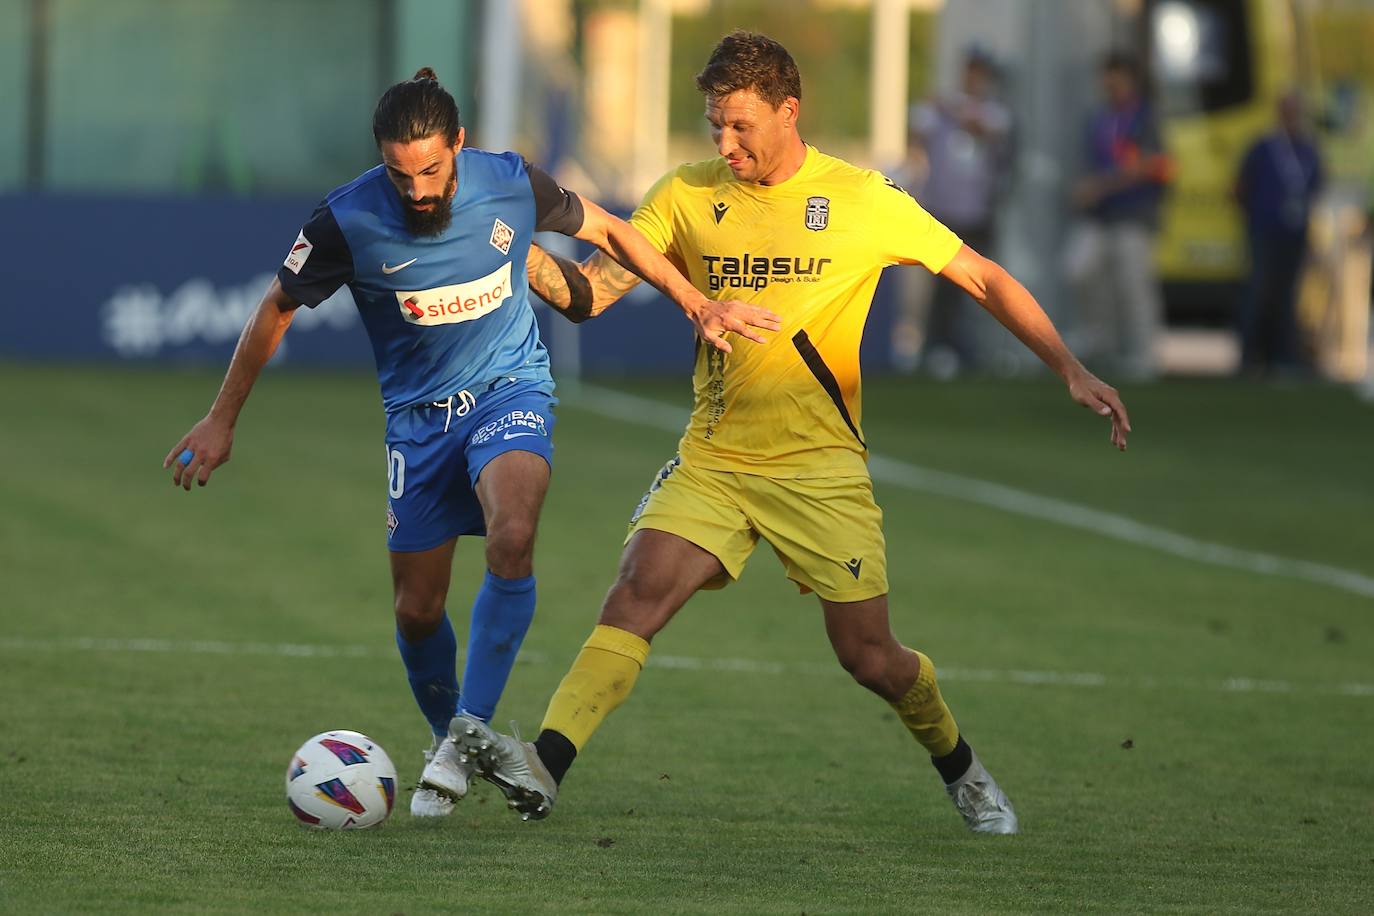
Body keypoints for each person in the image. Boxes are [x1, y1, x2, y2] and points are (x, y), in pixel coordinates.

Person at [453, 32, 1130, 834]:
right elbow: (589, 295)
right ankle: (545, 767)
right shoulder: (682, 196)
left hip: (820, 469)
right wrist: (507, 249)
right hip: (716, 456)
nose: (725, 142)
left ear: (788, 111)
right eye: (714, 125)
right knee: (635, 593)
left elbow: (979, 274)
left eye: (741, 125)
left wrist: (1069, 368)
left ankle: (963, 768)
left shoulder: (859, 199)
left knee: (870, 658)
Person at [162, 68, 777, 820]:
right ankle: (447, 733)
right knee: (417, 611)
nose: (417, 190)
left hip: (509, 392)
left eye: (431, 169)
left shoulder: (510, 181)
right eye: (400, 174)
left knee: (512, 536)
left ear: (458, 144)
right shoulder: (345, 220)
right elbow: (275, 308)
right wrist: (221, 419)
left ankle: (465, 734)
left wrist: (695, 303)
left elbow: (613, 231)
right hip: (417, 425)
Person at [902, 47, 1013, 376]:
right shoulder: (939, 108)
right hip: (942, 214)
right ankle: (936, 350)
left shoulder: (994, 112)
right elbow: (917, 132)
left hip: (977, 215)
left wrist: (949, 108)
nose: (974, 78)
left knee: (982, 286)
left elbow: (985, 128)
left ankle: (977, 353)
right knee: (941, 290)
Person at [1063, 51, 1171, 381]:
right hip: (1101, 215)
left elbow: (1152, 164)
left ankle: (1143, 357)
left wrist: (1101, 185)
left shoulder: (1144, 117)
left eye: (1116, 76)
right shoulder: (1098, 117)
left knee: (1133, 286)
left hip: (1134, 212)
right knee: (1078, 269)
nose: (1109, 83)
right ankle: (1100, 340)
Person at [1234, 92, 1323, 375]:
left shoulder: (1308, 149)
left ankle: (1284, 356)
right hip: (1264, 229)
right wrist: (1253, 217)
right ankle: (1250, 356)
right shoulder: (1263, 147)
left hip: (1294, 233)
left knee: (1288, 295)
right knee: (1259, 290)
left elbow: (1316, 185)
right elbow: (1240, 186)